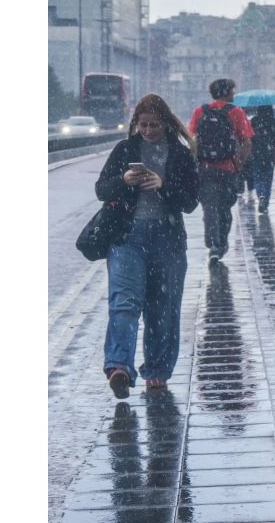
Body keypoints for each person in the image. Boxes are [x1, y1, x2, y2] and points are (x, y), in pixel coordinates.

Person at [95, 93, 199, 398]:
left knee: (162, 308)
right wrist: (124, 180)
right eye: (143, 125)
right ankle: (119, 368)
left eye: (154, 125)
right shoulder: (124, 149)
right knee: (124, 303)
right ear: (135, 124)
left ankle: (156, 369)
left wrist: (164, 186)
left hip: (167, 239)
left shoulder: (180, 155)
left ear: (166, 124)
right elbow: (101, 189)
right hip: (127, 237)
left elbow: (191, 201)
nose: (149, 130)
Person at [188, 79, 253, 264]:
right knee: (225, 208)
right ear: (227, 92)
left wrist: (197, 161)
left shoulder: (200, 111)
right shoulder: (236, 112)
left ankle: (213, 244)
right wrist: (239, 163)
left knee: (209, 207)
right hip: (228, 169)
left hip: (205, 168)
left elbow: (191, 139)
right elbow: (247, 142)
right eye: (233, 90)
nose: (234, 93)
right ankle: (222, 243)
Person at [247, 105, 275, 213]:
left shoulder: (254, 121)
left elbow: (249, 137)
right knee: (268, 178)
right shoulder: (274, 122)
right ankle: (265, 200)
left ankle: (260, 195)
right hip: (270, 154)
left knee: (257, 176)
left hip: (256, 153)